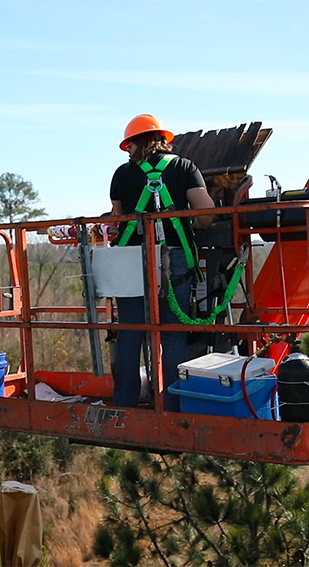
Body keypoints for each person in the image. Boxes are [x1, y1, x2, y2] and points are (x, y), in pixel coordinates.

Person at [109, 114, 215, 410]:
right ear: (162, 141)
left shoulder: (122, 174)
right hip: (175, 257)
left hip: (132, 260)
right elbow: (206, 212)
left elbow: (118, 219)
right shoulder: (184, 167)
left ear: (132, 144)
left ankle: (125, 404)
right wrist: (195, 227)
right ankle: (175, 406)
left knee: (130, 333)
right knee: (172, 335)